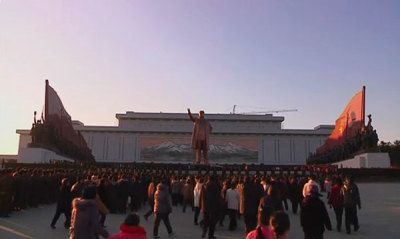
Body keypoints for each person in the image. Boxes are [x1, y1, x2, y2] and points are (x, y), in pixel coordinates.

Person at [200, 175, 221, 239]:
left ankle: (204, 231)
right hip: (213, 206)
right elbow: (217, 197)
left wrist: (201, 205)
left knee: (206, 219)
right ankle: (210, 235)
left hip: (205, 206)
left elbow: (201, 196)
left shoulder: (204, 185)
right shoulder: (215, 186)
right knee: (212, 221)